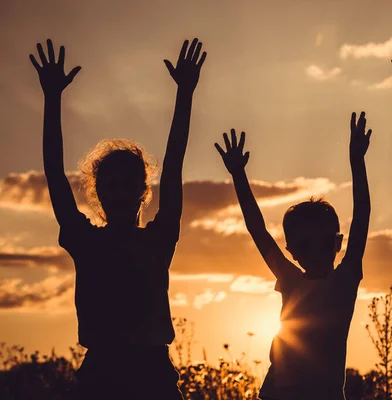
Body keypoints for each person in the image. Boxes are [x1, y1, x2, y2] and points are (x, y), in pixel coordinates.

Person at [29, 38, 207, 399]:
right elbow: (53, 174)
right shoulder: (86, 241)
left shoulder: (158, 240)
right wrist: (52, 99)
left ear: (143, 190)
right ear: (98, 193)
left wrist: (185, 94)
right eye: (111, 185)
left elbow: (173, 166)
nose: (121, 192)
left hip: (153, 374)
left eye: (128, 184)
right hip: (101, 375)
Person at [214, 112, 372, 400]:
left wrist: (357, 161)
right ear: (294, 252)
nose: (318, 252)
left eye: (326, 242)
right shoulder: (290, 280)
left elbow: (362, 216)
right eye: (307, 245)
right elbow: (258, 231)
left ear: (338, 244)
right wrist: (238, 175)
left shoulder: (345, 281)